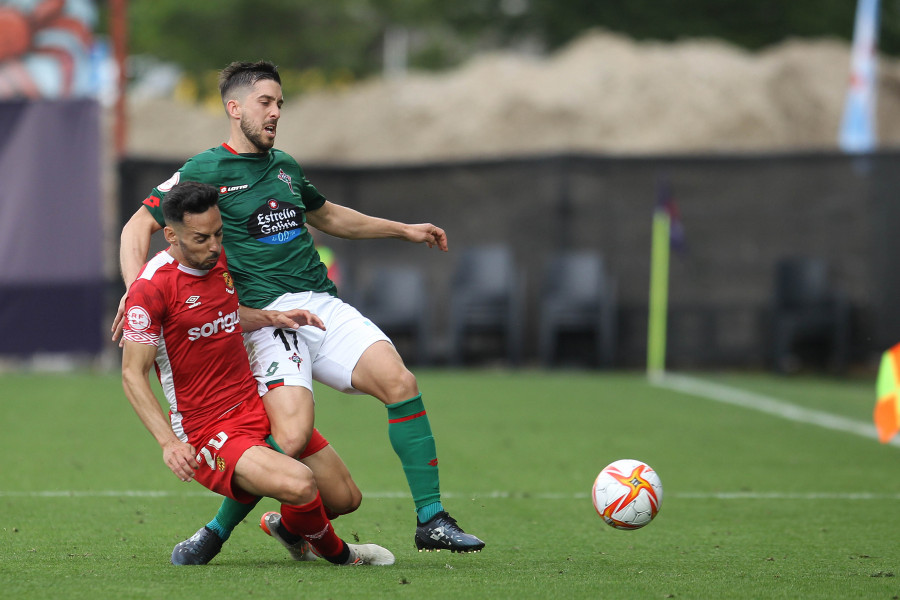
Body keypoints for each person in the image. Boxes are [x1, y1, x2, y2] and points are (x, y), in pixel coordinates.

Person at [113, 60, 484, 555]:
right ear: (235, 107)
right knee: (289, 440)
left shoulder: (284, 166)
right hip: (263, 318)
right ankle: (216, 532)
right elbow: (138, 225)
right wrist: (137, 289)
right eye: (265, 103)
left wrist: (404, 229)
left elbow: (330, 215)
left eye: (280, 104)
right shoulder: (204, 169)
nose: (275, 113)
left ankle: (431, 520)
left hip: (319, 303)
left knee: (401, 383)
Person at [121, 180, 394, 566]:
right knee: (299, 484)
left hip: (254, 405)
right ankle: (342, 555)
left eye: (219, 233)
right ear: (170, 235)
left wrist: (271, 317)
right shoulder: (151, 289)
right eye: (201, 238)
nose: (214, 246)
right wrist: (168, 443)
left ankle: (280, 528)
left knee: (346, 498)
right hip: (207, 428)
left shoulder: (218, 261)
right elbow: (133, 374)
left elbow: (223, 315)